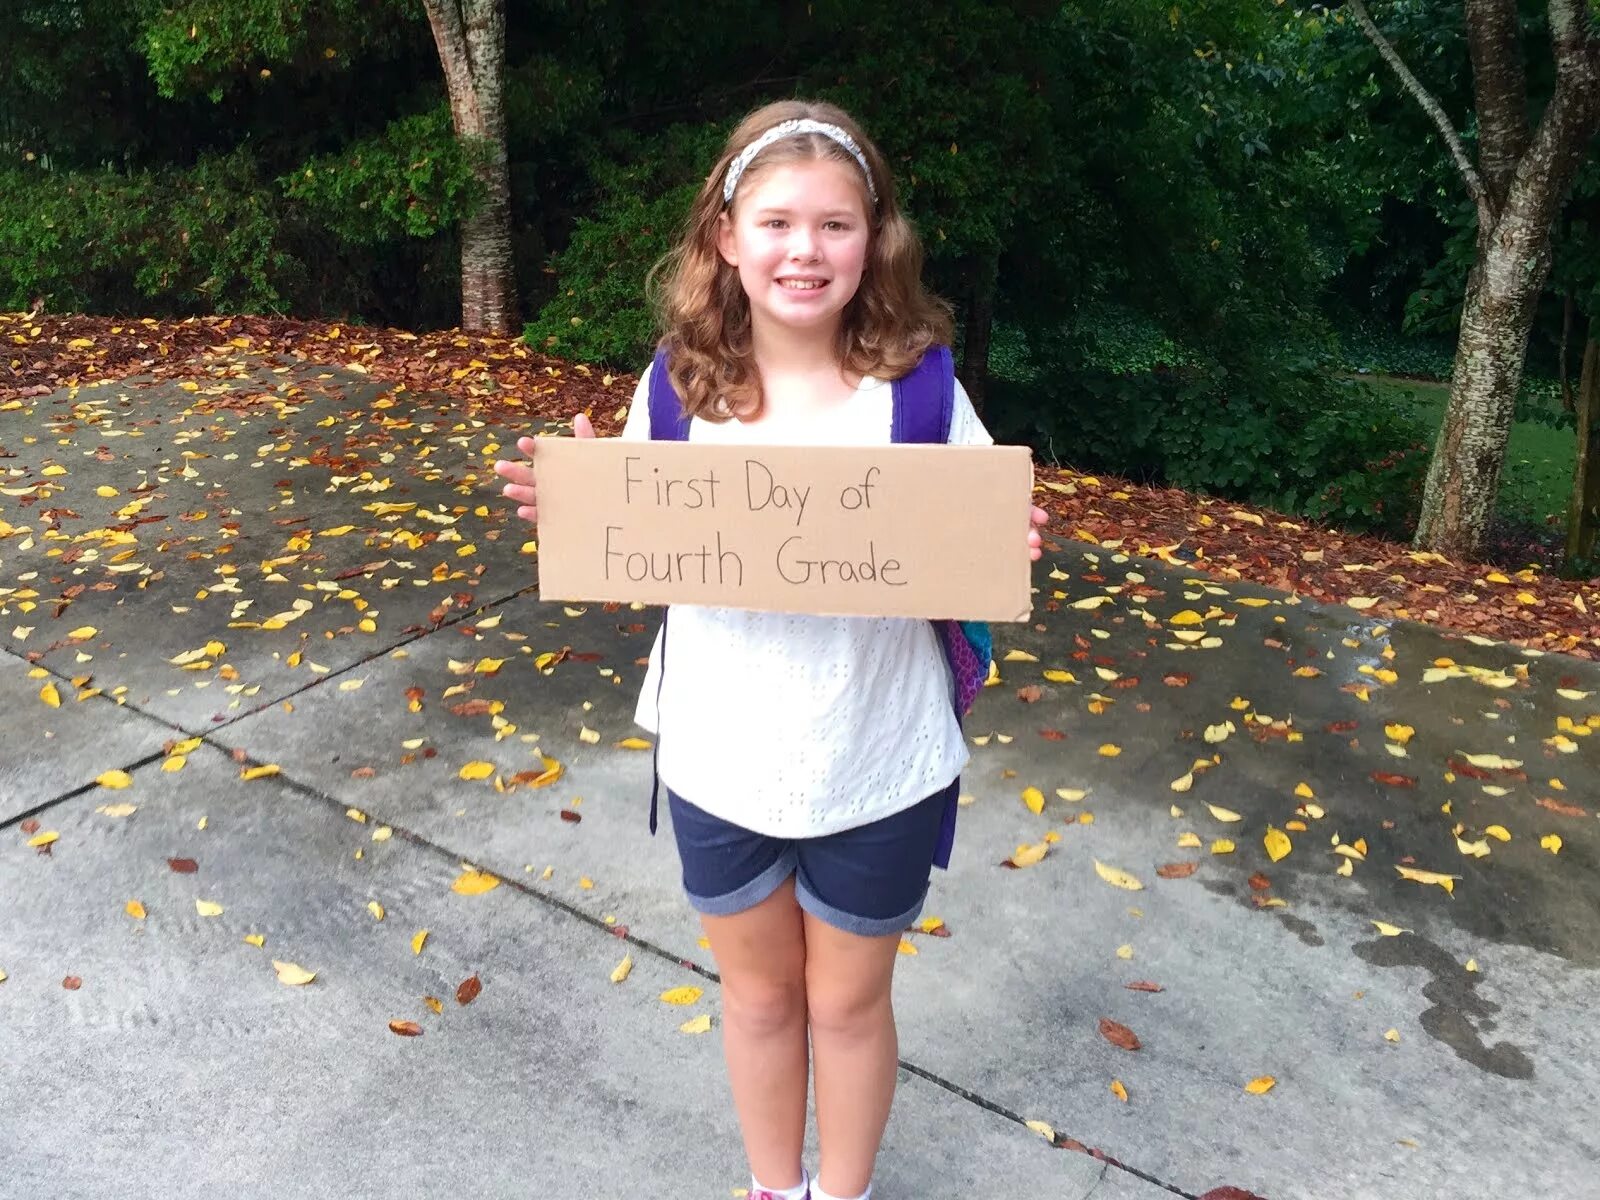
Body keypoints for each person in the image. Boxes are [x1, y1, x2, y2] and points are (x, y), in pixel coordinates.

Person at [494, 98, 1047, 1200]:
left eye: (836, 225)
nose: (806, 250)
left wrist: (1003, 537)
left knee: (845, 1004)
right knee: (754, 999)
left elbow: (974, 543)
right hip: (719, 756)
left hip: (874, 754)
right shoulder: (677, 386)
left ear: (874, 240)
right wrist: (584, 516)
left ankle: (840, 1193)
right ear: (725, 239)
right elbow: (639, 552)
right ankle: (770, 1187)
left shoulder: (924, 394)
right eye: (778, 222)